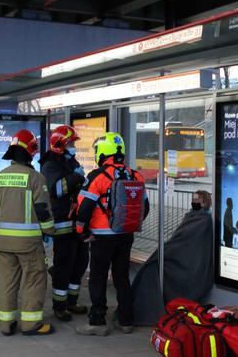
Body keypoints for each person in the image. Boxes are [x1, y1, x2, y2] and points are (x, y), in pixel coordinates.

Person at [75, 132, 149, 336]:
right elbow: (146, 207)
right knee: (121, 276)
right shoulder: (136, 175)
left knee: (97, 278)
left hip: (101, 237)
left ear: (102, 152)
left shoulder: (97, 177)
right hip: (125, 234)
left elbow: (84, 209)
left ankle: (97, 322)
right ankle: (126, 320)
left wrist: (82, 232)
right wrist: (127, 225)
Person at [0, 129, 56, 336]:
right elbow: (43, 210)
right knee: (34, 280)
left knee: (7, 282)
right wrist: (50, 231)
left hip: (5, 242)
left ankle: (6, 325)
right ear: (30, 153)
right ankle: (30, 324)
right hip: (29, 243)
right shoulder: (36, 178)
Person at [131, 190, 214, 325]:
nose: (194, 202)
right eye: (193, 199)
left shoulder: (204, 221)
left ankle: (148, 312)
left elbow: (190, 243)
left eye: (197, 200)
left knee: (151, 270)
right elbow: (180, 238)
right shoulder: (191, 216)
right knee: (150, 269)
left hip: (187, 262)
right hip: (178, 256)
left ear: (204, 202)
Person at [40, 125, 89, 322]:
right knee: (64, 266)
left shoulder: (69, 161)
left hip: (76, 222)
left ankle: (72, 302)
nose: (73, 146)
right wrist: (77, 176)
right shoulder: (50, 164)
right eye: (70, 143)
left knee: (80, 263)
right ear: (60, 144)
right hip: (62, 223)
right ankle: (59, 306)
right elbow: (57, 190)